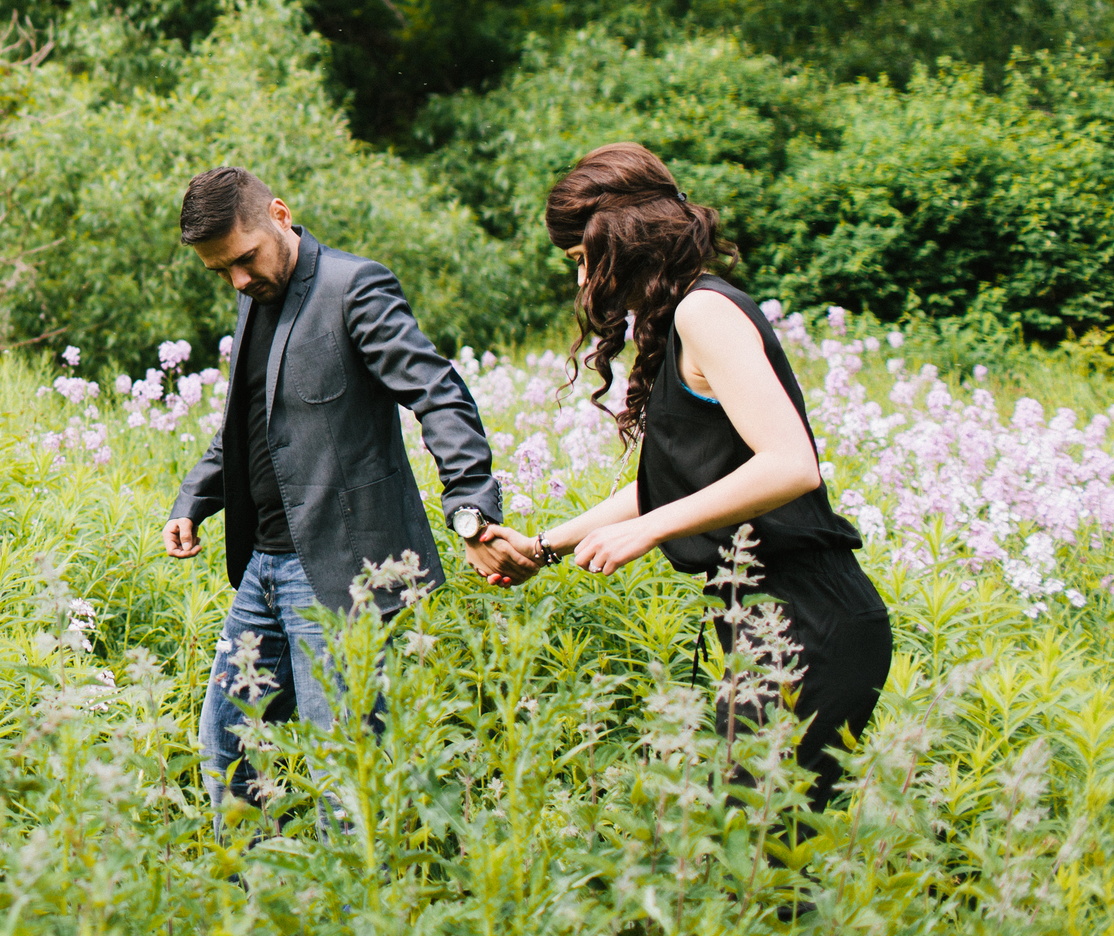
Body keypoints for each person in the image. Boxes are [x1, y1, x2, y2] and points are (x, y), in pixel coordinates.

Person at [163, 166, 543, 812]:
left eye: (244, 259)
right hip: (263, 565)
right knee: (227, 749)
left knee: (346, 772)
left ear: (279, 213)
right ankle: (252, 899)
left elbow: (439, 394)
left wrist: (470, 506)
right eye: (221, 270)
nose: (238, 280)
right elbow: (251, 421)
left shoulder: (353, 288)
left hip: (344, 570)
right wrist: (196, 496)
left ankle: (361, 903)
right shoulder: (255, 291)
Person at [526, 142, 891, 809]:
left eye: (582, 259)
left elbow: (790, 463)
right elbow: (669, 486)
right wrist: (545, 546)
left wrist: (648, 533)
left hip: (813, 620)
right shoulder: (678, 322)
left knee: (760, 856)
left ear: (624, 238)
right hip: (765, 618)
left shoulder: (705, 312)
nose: (582, 283)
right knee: (751, 854)